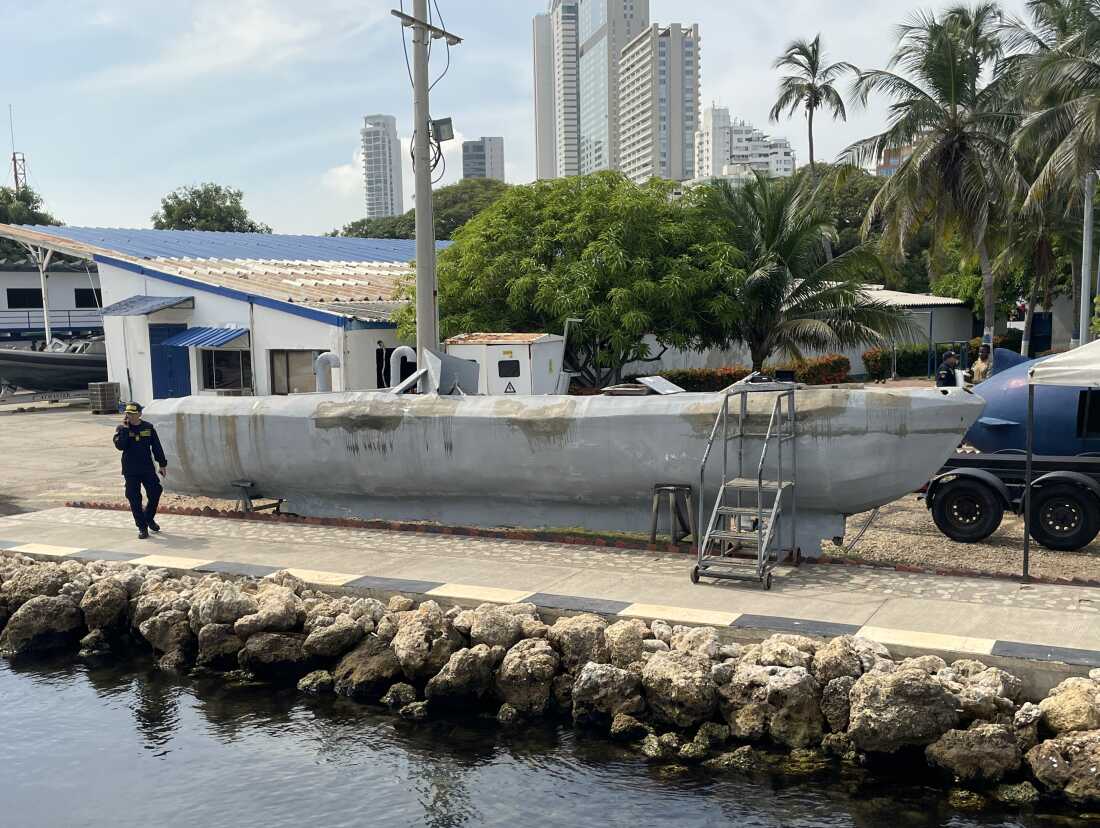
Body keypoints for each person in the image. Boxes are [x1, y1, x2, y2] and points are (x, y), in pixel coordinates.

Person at [113, 402, 167, 539]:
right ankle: (142, 527)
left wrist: (162, 464)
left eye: (132, 413)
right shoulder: (122, 428)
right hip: (130, 470)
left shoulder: (148, 427)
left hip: (147, 468)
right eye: (127, 413)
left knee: (156, 491)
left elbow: (156, 447)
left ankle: (148, 517)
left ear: (139, 414)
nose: (129, 415)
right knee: (134, 497)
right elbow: (120, 446)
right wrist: (125, 430)